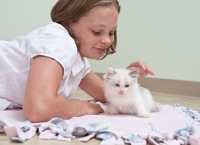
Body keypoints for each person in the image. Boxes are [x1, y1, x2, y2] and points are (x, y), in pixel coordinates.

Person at [0, 0, 154, 122]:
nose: (107, 40)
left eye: (112, 32)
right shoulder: (58, 41)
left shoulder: (76, 59)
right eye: (97, 31)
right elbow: (39, 108)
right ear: (68, 24)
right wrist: (86, 107)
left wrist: (124, 78)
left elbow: (105, 93)